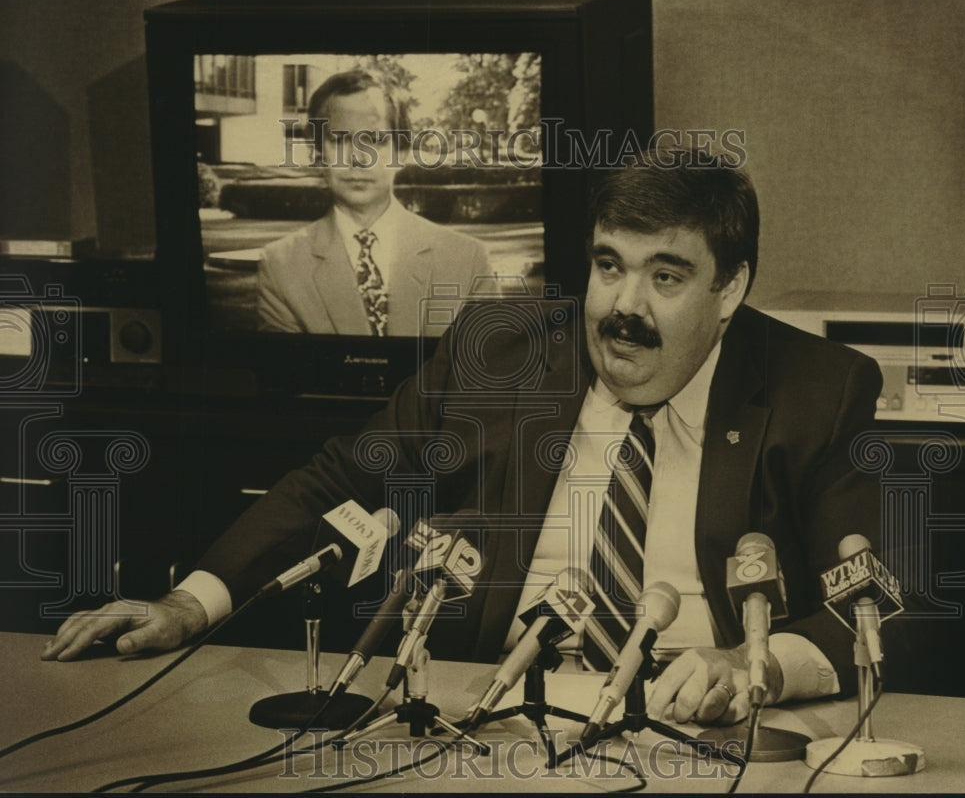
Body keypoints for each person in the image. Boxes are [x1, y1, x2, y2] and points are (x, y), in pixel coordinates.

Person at [42, 150, 884, 728]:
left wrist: (750, 666)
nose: (623, 306)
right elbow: (341, 478)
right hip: (483, 721)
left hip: (693, 737)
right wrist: (189, 602)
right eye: (608, 264)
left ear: (730, 287)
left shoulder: (818, 389)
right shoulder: (499, 353)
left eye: (666, 275)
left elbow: (873, 609)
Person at [257, 69, 493, 336]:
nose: (359, 157)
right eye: (340, 140)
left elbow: (484, 373)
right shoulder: (281, 266)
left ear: (402, 152)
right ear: (316, 152)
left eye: (375, 140)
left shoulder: (468, 260)